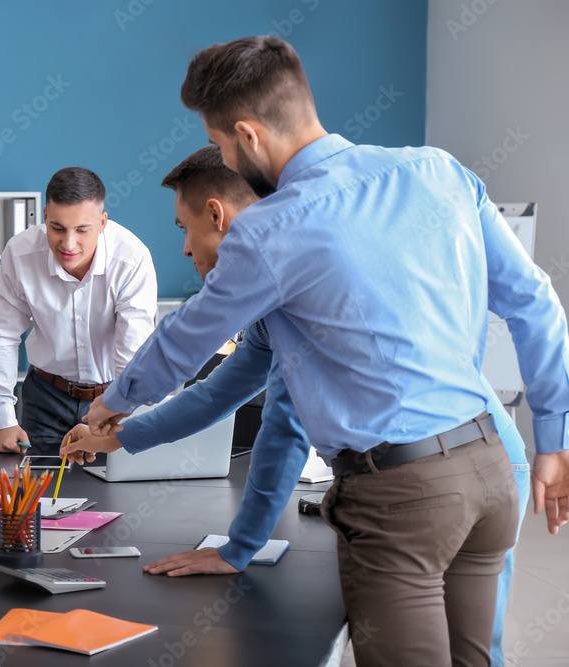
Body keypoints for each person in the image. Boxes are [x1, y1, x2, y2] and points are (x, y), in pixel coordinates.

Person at [84, 36, 569, 667]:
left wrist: (111, 403)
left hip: (402, 494)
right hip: (492, 468)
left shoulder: (270, 230)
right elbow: (535, 302)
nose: (228, 157)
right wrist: (554, 441)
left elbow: (185, 342)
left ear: (249, 136)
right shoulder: (437, 169)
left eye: (225, 144)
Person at [0, 167, 158, 454]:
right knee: (42, 493)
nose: (68, 244)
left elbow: (132, 352)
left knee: (114, 494)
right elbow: (3, 335)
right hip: (46, 398)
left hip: (114, 396)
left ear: (103, 222)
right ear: (44, 217)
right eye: (57, 228)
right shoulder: (20, 254)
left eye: (82, 230)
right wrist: (4, 420)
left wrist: (112, 412)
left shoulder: (131, 259)